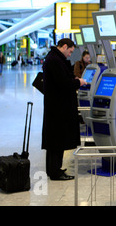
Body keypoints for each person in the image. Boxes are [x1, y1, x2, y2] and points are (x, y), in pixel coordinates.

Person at [42, 38, 87, 180]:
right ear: (64, 46)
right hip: (58, 108)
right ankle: (55, 172)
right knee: (57, 140)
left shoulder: (53, 57)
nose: (70, 54)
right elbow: (63, 83)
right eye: (70, 51)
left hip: (55, 106)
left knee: (54, 141)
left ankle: (53, 169)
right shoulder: (55, 60)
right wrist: (77, 82)